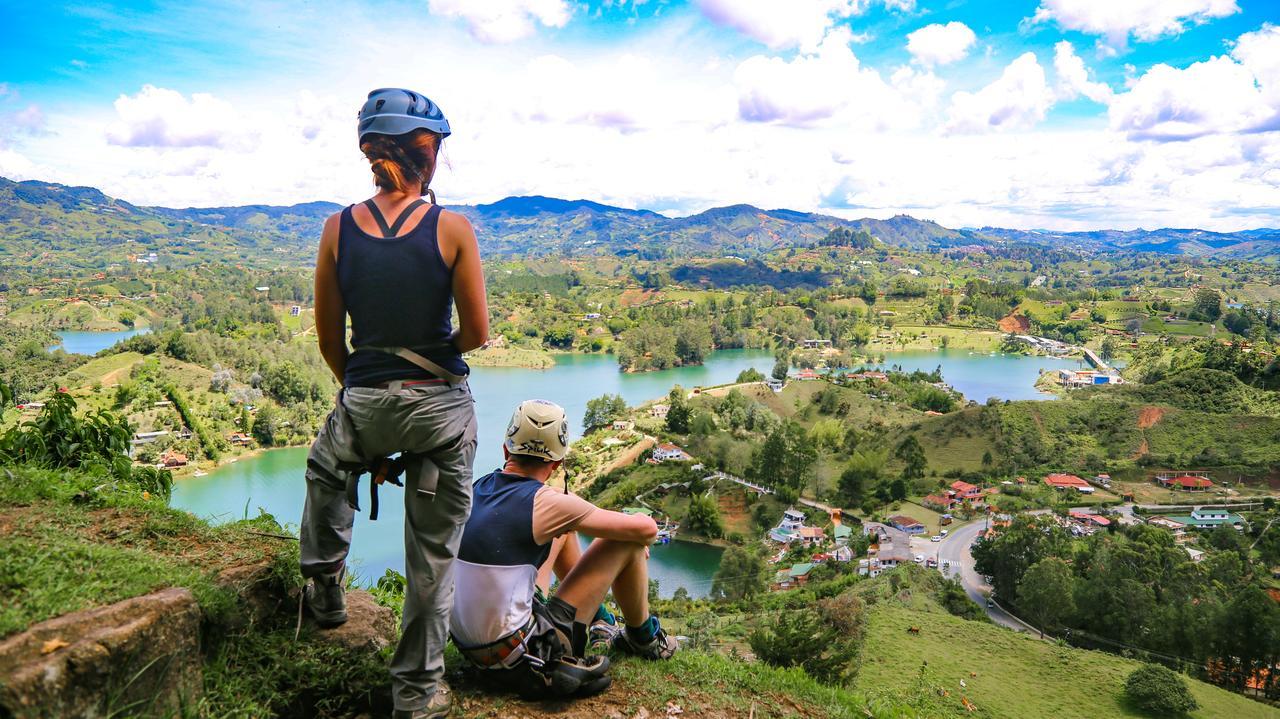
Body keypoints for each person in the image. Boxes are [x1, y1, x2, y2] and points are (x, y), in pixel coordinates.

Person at [299, 88, 488, 719]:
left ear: (372, 152)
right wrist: (432, 359)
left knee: (328, 466)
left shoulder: (335, 230)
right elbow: (478, 334)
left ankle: (326, 594)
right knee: (432, 558)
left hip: (365, 398)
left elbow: (332, 341)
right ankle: (416, 693)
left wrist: (368, 396)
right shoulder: (452, 228)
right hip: (439, 410)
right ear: (427, 153)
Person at [449, 399, 678, 699]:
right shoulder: (548, 503)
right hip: (528, 654)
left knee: (563, 531)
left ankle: (600, 620)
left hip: (476, 650)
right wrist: (634, 531)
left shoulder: (477, 488)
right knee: (625, 541)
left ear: (506, 450)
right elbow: (647, 530)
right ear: (557, 463)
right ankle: (643, 637)